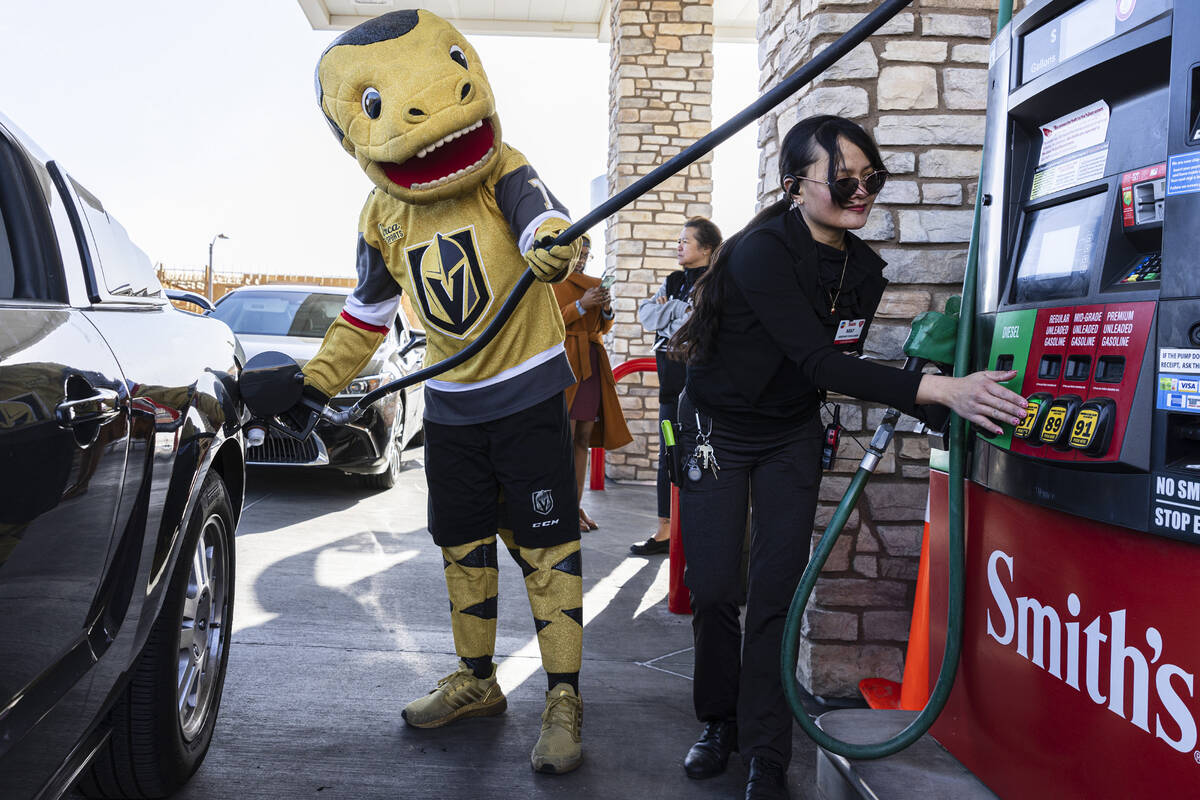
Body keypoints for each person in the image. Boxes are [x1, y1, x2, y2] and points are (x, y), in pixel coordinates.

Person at [668, 115, 1028, 800]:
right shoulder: (760, 252)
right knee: (716, 586)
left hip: (788, 436)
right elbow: (816, 358)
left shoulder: (864, 269)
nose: (861, 191)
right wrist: (940, 389)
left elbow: (838, 360)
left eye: (872, 179)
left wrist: (948, 400)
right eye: (844, 179)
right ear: (796, 184)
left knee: (775, 593)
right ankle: (719, 721)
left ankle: (768, 752)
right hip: (716, 428)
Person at [299, 10, 587, 774]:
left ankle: (563, 697)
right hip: (453, 407)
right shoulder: (379, 216)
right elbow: (365, 314)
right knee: (460, 545)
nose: (429, 115)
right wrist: (317, 380)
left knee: (547, 550)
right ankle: (478, 681)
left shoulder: (504, 167)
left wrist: (554, 243)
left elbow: (542, 220)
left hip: (526, 396)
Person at [630, 216, 722, 555]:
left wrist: (671, 313)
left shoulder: (715, 282)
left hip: (699, 391)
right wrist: (674, 313)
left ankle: (697, 535)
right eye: (678, 240)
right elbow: (648, 316)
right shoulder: (672, 279)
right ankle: (664, 531)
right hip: (670, 387)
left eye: (685, 241)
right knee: (667, 457)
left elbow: (694, 324)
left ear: (707, 248)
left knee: (699, 457)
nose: (678, 246)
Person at [553, 235, 633, 532]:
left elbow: (603, 326)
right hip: (565, 364)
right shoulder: (550, 280)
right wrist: (580, 305)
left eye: (588, 253)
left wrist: (606, 309)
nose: (584, 258)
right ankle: (561, 509)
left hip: (592, 362)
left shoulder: (593, 282)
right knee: (563, 440)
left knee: (583, 439)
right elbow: (548, 325)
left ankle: (574, 506)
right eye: (580, 252)